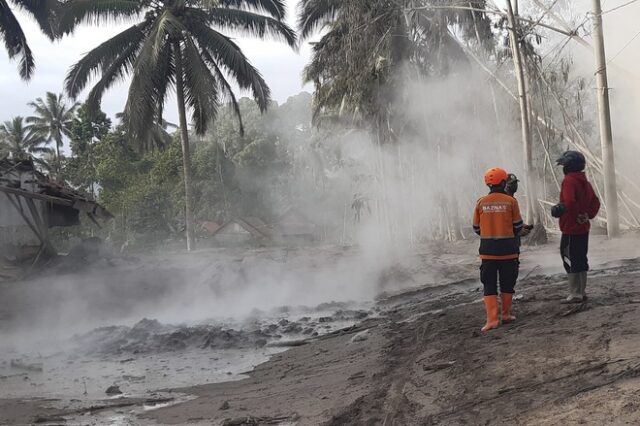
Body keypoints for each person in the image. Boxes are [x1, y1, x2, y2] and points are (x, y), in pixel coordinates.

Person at [473, 168, 530, 332]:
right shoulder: (511, 202)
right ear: (503, 183)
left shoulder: (481, 202)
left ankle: (491, 320)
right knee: (507, 282)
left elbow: (476, 228)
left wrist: (489, 231)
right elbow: (518, 226)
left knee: (489, 283)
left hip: (487, 251)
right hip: (508, 251)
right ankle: (505, 314)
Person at [551, 151, 600, 303]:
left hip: (571, 228)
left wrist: (571, 214)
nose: (563, 168)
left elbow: (570, 202)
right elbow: (596, 202)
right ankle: (582, 292)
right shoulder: (585, 182)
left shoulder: (569, 180)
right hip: (583, 229)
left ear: (569, 166)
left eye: (564, 165)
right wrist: (587, 215)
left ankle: (575, 294)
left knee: (568, 258)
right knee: (580, 258)